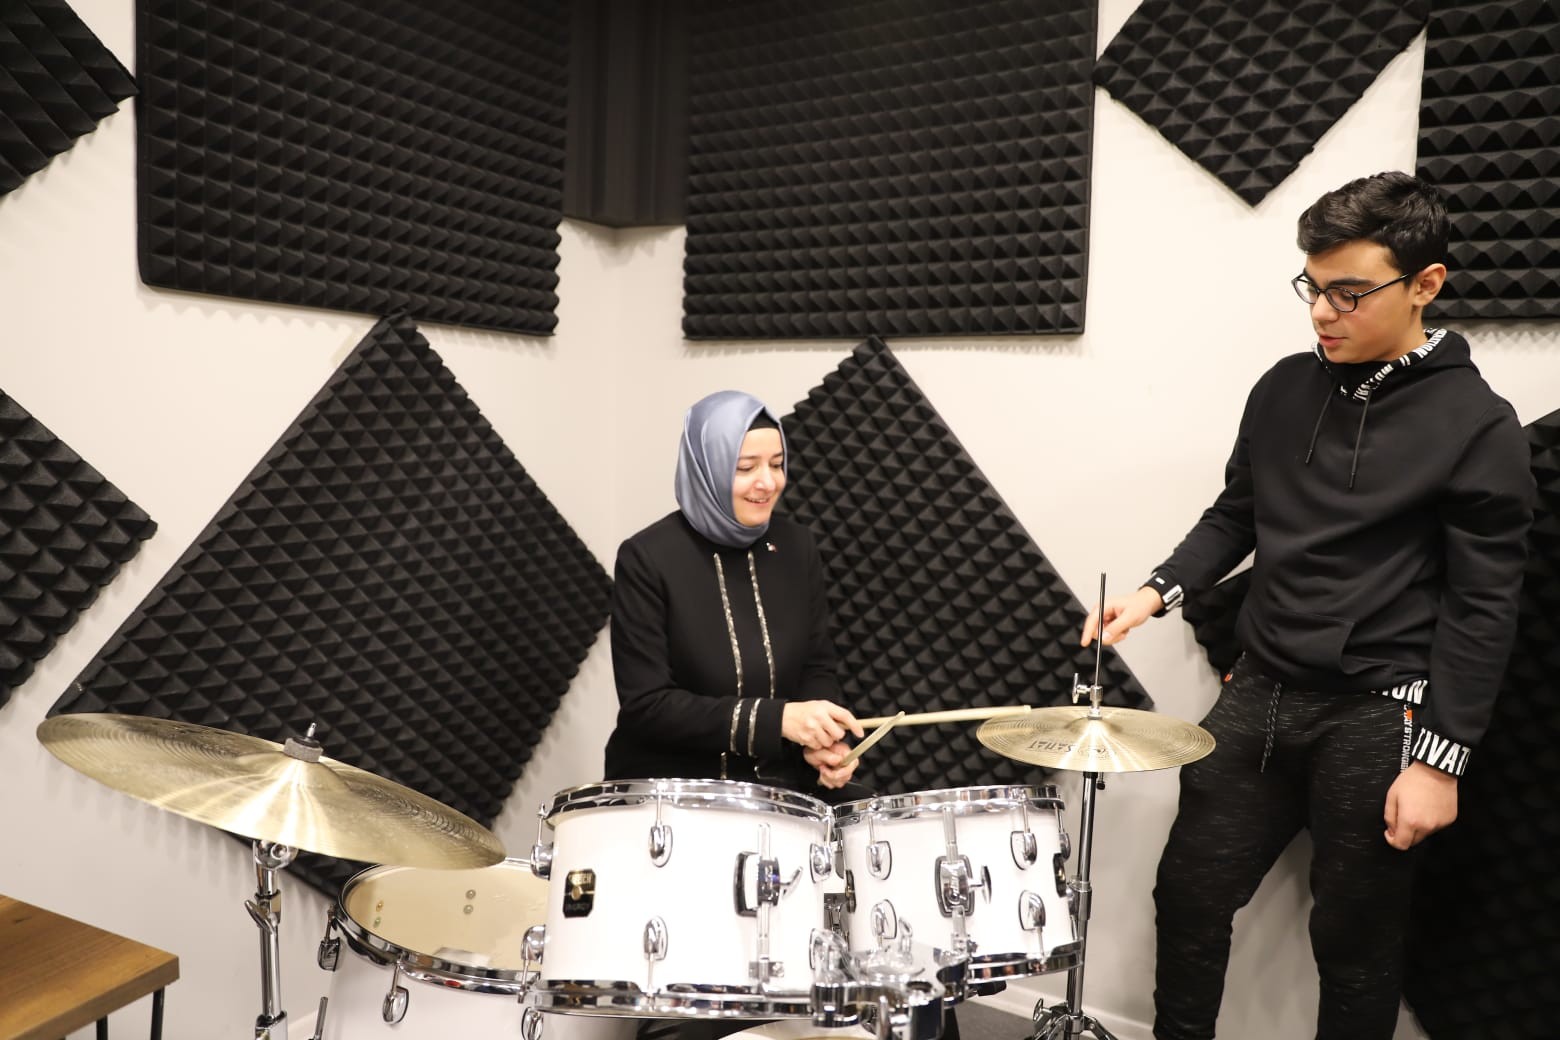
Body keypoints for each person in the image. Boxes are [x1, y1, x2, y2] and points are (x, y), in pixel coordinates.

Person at [1082, 172, 1534, 1039]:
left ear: (1426, 284)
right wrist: (1156, 590)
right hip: (1256, 693)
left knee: (1355, 944)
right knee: (1189, 895)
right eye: (1313, 288)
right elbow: (1237, 514)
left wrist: (1440, 763)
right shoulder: (1284, 387)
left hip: (1377, 716)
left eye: (1349, 293)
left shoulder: (1480, 425)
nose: (1323, 313)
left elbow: (1484, 607)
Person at [604, 389, 865, 797]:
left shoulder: (797, 547)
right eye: (745, 468)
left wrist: (823, 741)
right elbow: (647, 706)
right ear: (706, 468)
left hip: (779, 786)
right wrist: (778, 721)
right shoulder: (648, 557)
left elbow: (816, 667)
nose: (768, 482)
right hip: (672, 792)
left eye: (777, 464)